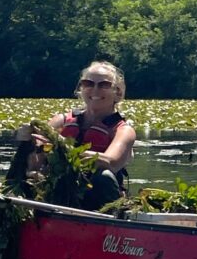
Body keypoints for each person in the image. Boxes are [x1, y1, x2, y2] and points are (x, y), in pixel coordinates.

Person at [11, 60, 137, 209]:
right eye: (88, 83)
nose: (95, 90)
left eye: (104, 85)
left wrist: (63, 149)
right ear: (81, 89)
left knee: (104, 176)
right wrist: (27, 139)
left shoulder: (123, 130)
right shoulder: (61, 121)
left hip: (97, 199)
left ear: (118, 92)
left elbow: (111, 162)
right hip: (56, 191)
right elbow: (38, 151)